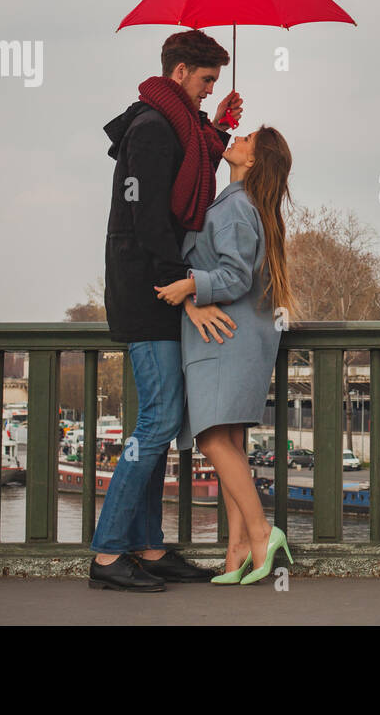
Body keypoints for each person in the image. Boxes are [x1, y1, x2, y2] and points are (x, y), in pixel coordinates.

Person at [89, 29, 244, 592]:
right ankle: (107, 556)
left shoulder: (167, 124)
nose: (209, 91)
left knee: (161, 423)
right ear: (180, 72)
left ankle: (149, 548)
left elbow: (187, 171)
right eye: (206, 81)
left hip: (155, 291)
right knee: (157, 422)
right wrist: (184, 289)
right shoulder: (153, 131)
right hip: (149, 294)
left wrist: (221, 126)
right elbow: (149, 224)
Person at [154, 126, 296, 585]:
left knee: (213, 442)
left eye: (248, 138)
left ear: (253, 161)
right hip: (244, 341)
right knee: (230, 445)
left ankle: (260, 533)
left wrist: (191, 286)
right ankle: (237, 553)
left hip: (223, 341)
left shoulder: (234, 206)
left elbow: (234, 276)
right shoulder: (250, 205)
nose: (238, 137)